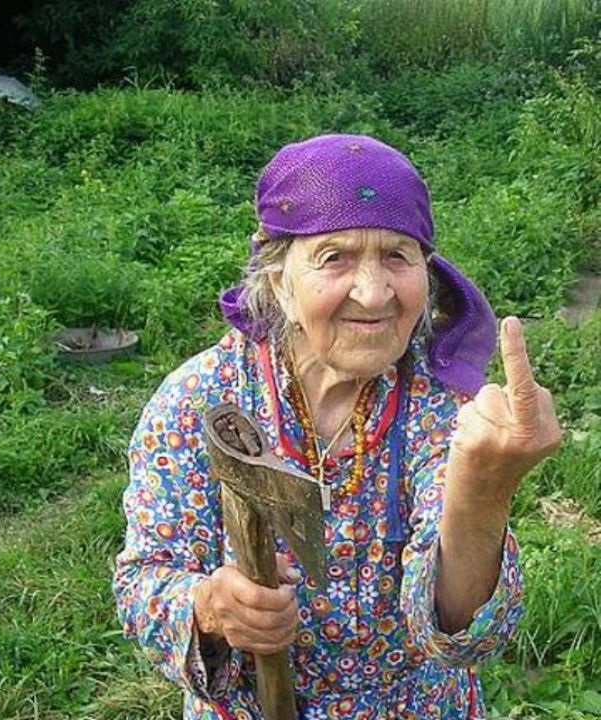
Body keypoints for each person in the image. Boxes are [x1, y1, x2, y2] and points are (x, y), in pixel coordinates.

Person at [113, 134, 562, 719]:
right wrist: (209, 608)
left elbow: (464, 637)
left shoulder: (440, 405)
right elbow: (143, 583)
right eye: (335, 258)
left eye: (397, 256)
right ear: (279, 283)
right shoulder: (200, 400)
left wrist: (483, 490)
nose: (373, 294)